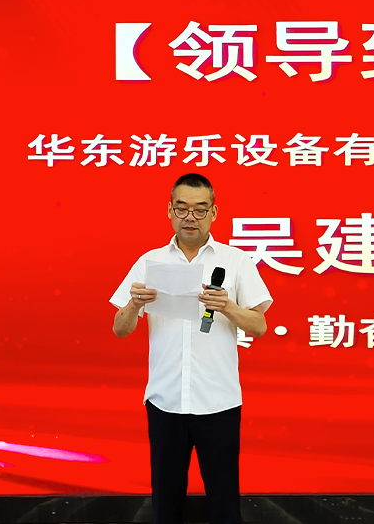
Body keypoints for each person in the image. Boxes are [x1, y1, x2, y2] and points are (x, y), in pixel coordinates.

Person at [110, 173, 272, 524]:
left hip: (218, 401)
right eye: (182, 208)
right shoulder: (150, 262)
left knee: (224, 504)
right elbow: (120, 329)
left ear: (214, 213)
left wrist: (226, 306)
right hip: (165, 400)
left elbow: (258, 326)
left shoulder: (235, 261)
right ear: (169, 211)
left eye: (200, 210)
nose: (190, 218)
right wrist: (134, 305)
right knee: (165, 504)